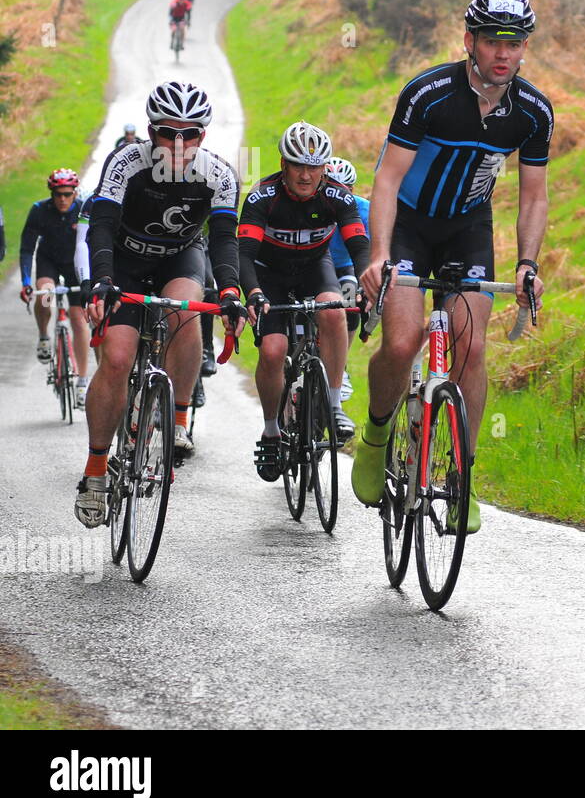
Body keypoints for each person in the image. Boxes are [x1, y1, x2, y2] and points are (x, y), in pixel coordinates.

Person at [353, 0, 552, 533]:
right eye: (492, 41)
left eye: (514, 44)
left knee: (471, 344)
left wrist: (527, 264)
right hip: (410, 226)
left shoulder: (532, 112)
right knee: (400, 340)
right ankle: (374, 437)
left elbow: (533, 197)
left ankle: (463, 476)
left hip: (468, 229)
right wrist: (378, 256)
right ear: (470, 41)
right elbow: (388, 179)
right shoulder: (429, 94)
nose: (503, 54)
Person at [77, 81, 245, 528]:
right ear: (152, 132)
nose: (179, 144)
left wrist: (230, 290)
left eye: (190, 134)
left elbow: (226, 242)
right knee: (115, 358)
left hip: (180, 257)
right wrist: (101, 280)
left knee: (185, 311)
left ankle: (179, 416)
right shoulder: (126, 162)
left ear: (203, 136)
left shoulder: (221, 174)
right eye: (168, 133)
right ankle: (96, 468)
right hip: (124, 261)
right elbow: (101, 225)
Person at [239, 122, 369, 479]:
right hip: (269, 274)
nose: (306, 174)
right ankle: (271, 430)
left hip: (315, 267)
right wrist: (253, 292)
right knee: (272, 351)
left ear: (325, 167)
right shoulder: (261, 197)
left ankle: (333, 402)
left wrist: (364, 284)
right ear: (284, 164)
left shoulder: (338, 196)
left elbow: (358, 245)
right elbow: (244, 254)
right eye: (299, 165)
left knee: (334, 312)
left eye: (314, 166)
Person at [20, 169, 92, 405]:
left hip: (74, 266)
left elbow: (91, 247)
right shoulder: (40, 210)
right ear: (51, 193)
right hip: (48, 262)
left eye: (67, 194)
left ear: (75, 193)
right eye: (58, 194)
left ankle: (82, 381)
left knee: (79, 320)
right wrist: (27, 283)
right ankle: (43, 335)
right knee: (46, 296)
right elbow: (27, 249)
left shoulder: (83, 209)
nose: (62, 199)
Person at [323, 156, 369, 401]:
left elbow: (370, 252)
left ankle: (341, 365)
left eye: (345, 191)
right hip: (311, 265)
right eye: (330, 189)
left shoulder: (364, 210)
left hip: (345, 267)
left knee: (352, 292)